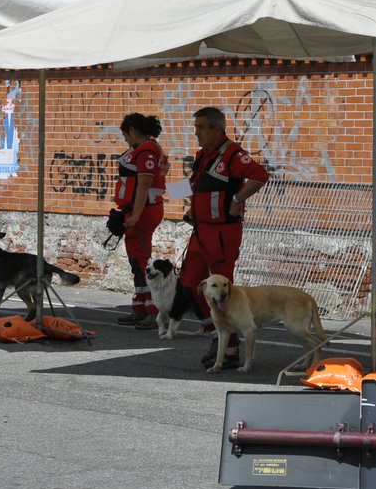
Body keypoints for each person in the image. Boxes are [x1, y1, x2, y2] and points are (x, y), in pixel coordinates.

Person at [180, 106, 269, 368]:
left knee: (221, 293)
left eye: (200, 127)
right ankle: (214, 330)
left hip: (222, 232)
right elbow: (199, 186)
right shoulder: (203, 154)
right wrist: (184, 203)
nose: (196, 132)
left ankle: (229, 350)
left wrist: (237, 199)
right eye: (195, 127)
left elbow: (260, 175)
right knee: (190, 283)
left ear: (217, 129)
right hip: (200, 230)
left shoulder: (232, 154)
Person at [112, 112, 169, 328]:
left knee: (142, 262)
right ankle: (141, 306)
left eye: (126, 135)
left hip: (144, 211)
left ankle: (153, 309)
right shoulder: (146, 149)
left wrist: (135, 215)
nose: (125, 140)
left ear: (133, 131)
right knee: (136, 261)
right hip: (140, 209)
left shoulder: (146, 151)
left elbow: (144, 184)